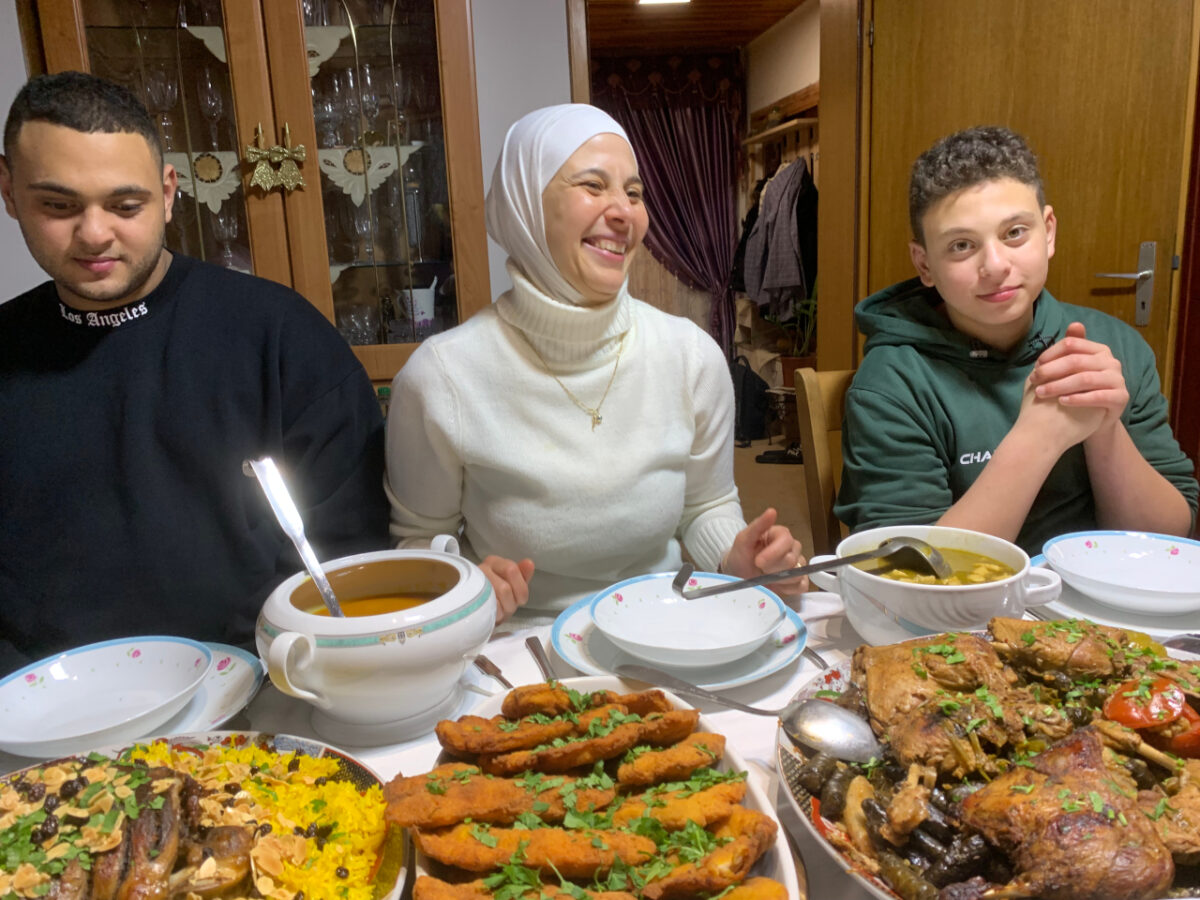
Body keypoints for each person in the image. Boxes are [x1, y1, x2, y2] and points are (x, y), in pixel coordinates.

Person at [0, 72, 389, 675]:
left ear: (170, 190)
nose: (95, 233)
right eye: (58, 205)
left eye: (126, 206)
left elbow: (352, 554)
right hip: (38, 717)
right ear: (8, 191)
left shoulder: (279, 335)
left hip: (264, 690)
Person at [385, 103, 808, 622]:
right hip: (518, 645)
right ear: (526, 206)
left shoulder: (690, 356)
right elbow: (417, 543)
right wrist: (464, 585)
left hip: (666, 625)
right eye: (592, 185)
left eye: (633, 192)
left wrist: (735, 554)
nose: (623, 212)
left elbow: (704, 506)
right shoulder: (442, 377)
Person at [835, 125, 1198, 555]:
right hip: (961, 616)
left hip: (1094, 607)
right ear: (924, 263)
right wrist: (1036, 439)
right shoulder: (893, 381)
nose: (995, 265)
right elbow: (910, 567)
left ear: (1049, 232)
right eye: (962, 245)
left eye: (1014, 233)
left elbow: (1171, 538)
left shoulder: (1113, 346)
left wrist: (1103, 429)